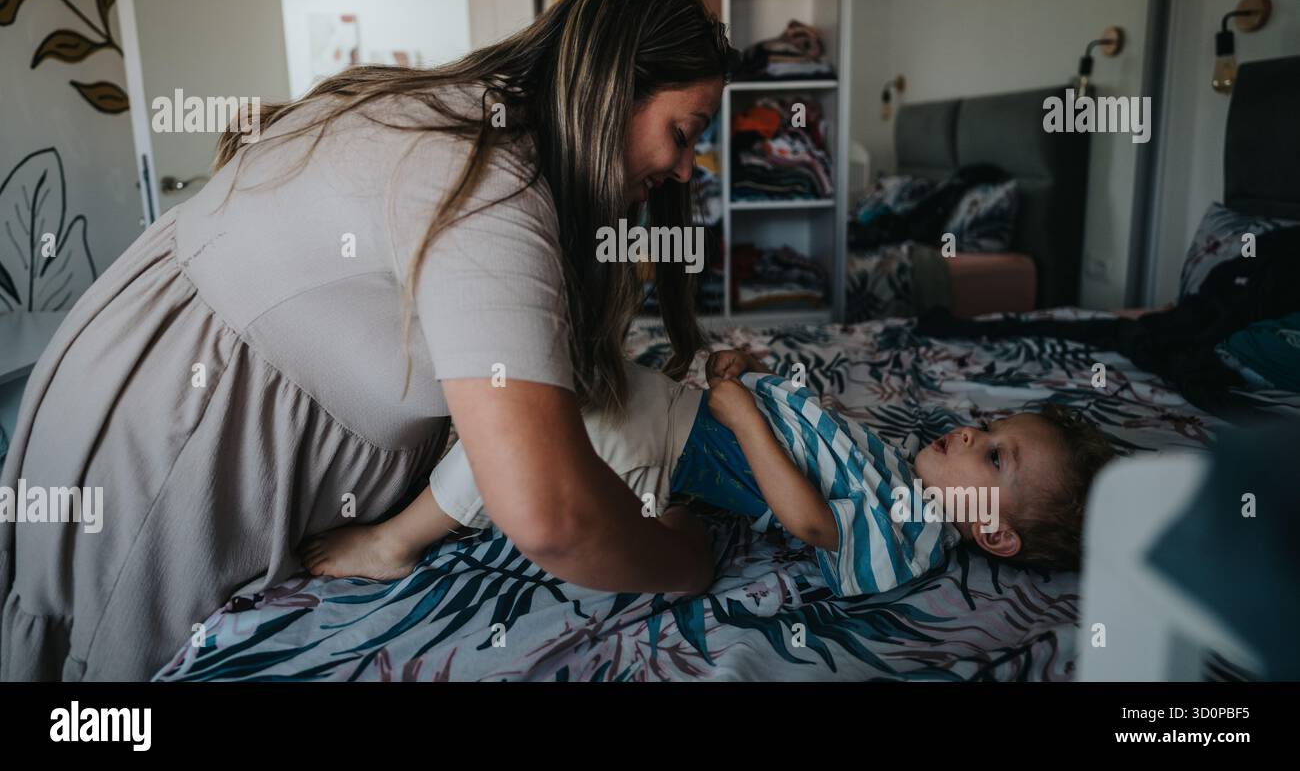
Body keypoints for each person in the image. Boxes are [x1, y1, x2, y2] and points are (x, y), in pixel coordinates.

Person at [0, 0, 737, 681]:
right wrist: (684, 556)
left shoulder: (468, 119)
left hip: (167, 383)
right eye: (685, 131)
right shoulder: (487, 176)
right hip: (174, 438)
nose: (683, 169)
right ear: (613, 90)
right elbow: (552, 516)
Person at [305, 348, 1118, 595]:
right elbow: (815, 444)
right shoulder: (900, 470)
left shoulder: (915, 533)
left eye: (996, 454)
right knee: (553, 367)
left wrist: (741, 415)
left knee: (529, 419)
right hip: (692, 417)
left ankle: (395, 540)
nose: (973, 431)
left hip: (687, 435)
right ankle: (664, 516)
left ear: (995, 532)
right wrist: (750, 378)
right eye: (990, 426)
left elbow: (808, 523)